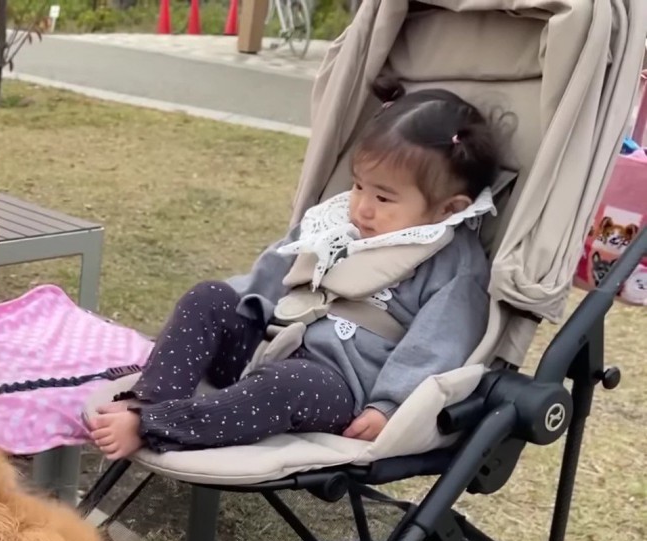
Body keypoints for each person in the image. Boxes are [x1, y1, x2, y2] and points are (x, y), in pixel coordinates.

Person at [88, 83, 501, 460]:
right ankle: (151, 399)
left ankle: (155, 426)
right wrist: (241, 315)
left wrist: (389, 405)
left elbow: (436, 347)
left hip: (334, 386)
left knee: (284, 385)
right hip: (269, 342)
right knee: (209, 296)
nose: (362, 207)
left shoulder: (452, 264)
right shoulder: (337, 223)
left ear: (449, 208)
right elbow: (278, 270)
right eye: (359, 186)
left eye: (383, 198)